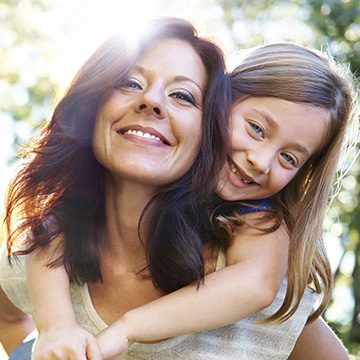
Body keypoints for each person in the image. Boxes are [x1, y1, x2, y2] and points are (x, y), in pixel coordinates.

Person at [0, 19, 356, 360]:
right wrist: (53, 330)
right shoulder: (53, 237)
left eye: (290, 159)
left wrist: (127, 328)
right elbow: (42, 238)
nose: (261, 161)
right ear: (219, 107)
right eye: (256, 129)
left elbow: (258, 286)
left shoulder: (257, 232)